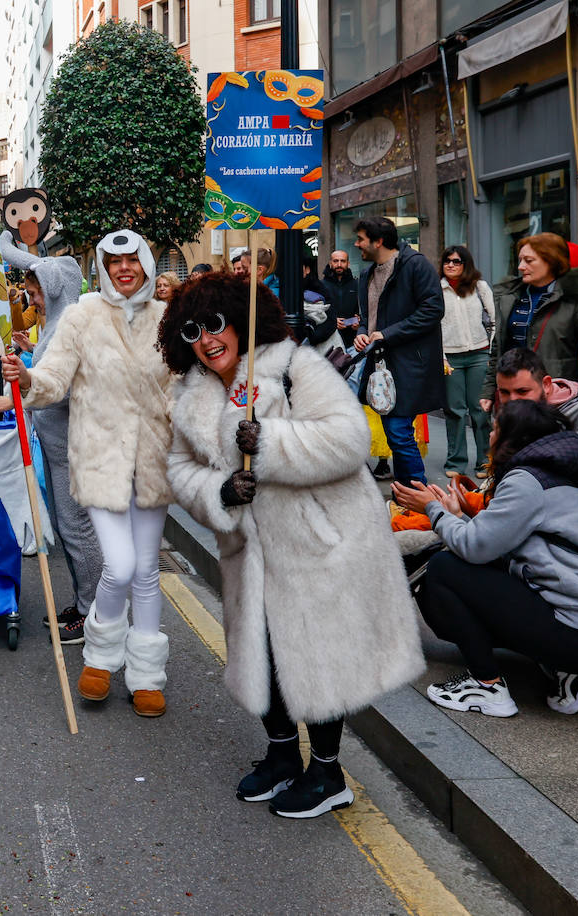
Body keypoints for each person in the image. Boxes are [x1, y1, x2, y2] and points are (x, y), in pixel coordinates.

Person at [161, 272, 424, 818]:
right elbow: (179, 468)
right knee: (263, 652)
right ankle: (282, 756)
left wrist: (273, 443)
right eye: (192, 330)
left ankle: (328, 773)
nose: (207, 339)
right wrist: (219, 491)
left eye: (215, 323)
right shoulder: (188, 392)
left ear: (239, 319)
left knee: (315, 654)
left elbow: (349, 439)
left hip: (317, 540)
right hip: (248, 549)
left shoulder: (291, 367)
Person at [1, 229, 173, 718]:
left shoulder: (167, 320)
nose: (124, 269)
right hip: (99, 461)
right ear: (101, 266)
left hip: (152, 464)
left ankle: (144, 674)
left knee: (145, 572)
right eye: (114, 260)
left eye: (132, 260)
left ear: (144, 263)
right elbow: (54, 376)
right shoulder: (81, 316)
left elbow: (184, 386)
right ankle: (99, 655)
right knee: (119, 565)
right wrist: (29, 379)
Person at [397, 400, 578, 717]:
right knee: (473, 568)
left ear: (513, 437)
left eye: (496, 428)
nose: (489, 435)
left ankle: (487, 686)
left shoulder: (526, 481)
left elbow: (473, 548)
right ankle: (568, 671)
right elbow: (495, 542)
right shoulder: (567, 471)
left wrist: (433, 510)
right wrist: (457, 516)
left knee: (445, 570)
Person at [0, 233, 102, 645]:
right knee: (67, 526)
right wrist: (31, 350)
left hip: (73, 449)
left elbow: (67, 385)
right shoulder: (55, 325)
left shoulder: (70, 327)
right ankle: (82, 601)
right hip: (57, 447)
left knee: (78, 532)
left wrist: (26, 380)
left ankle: (92, 612)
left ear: (53, 291)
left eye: (35, 292)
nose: (31, 299)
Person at [353, 216, 446, 485]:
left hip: (408, 364)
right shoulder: (366, 273)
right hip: (380, 363)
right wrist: (362, 334)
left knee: (399, 432)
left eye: (361, 239)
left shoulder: (416, 265)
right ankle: (409, 495)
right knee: (396, 434)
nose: (357, 244)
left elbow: (432, 310)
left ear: (378, 241)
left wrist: (387, 334)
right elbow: (365, 317)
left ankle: (417, 495)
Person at [479, 232, 578, 410]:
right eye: (520, 260)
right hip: (511, 395)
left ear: (551, 261)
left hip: (557, 400)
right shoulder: (509, 297)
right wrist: (489, 391)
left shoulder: (577, 300)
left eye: (529, 260)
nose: (520, 266)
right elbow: (498, 349)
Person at [439, 245, 494, 479]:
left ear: (466, 264)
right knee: (455, 411)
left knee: (480, 410)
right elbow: (432, 326)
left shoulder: (479, 287)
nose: (451, 265)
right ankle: (456, 462)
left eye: (457, 261)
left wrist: (490, 346)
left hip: (479, 354)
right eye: (447, 261)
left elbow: (495, 317)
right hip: (449, 357)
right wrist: (440, 356)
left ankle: (485, 461)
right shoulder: (436, 289)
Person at [323, 249, 360, 348]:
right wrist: (332, 322)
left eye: (343, 261)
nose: (339, 264)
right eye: (335, 261)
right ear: (330, 263)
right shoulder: (321, 286)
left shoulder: (357, 285)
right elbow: (316, 314)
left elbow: (366, 311)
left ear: (348, 263)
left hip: (353, 343)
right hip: (329, 344)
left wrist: (360, 322)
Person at [300, 255, 337, 350]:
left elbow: (330, 320)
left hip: (317, 347)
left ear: (307, 269)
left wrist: (311, 337)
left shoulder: (319, 289)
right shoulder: (282, 288)